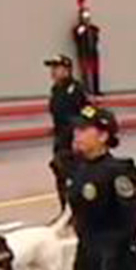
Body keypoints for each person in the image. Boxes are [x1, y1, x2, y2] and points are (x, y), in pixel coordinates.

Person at [66, 105, 136, 270]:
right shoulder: (78, 168)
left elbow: (134, 213)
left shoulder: (119, 171)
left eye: (84, 130)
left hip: (114, 257)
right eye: (76, 129)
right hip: (87, 254)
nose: (77, 135)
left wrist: (114, 248)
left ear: (103, 136)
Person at [45, 54, 92, 213]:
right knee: (61, 175)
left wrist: (81, 133)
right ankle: (65, 211)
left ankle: (80, 211)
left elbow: (88, 112)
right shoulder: (56, 90)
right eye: (52, 68)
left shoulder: (76, 89)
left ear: (66, 70)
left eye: (56, 68)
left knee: (76, 177)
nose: (53, 72)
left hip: (74, 140)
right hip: (60, 139)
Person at [73, 8, 102, 96]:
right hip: (84, 53)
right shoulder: (79, 28)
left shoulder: (92, 28)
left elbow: (97, 32)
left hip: (93, 53)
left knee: (95, 72)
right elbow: (77, 35)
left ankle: (96, 90)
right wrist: (83, 28)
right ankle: (87, 90)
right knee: (85, 73)